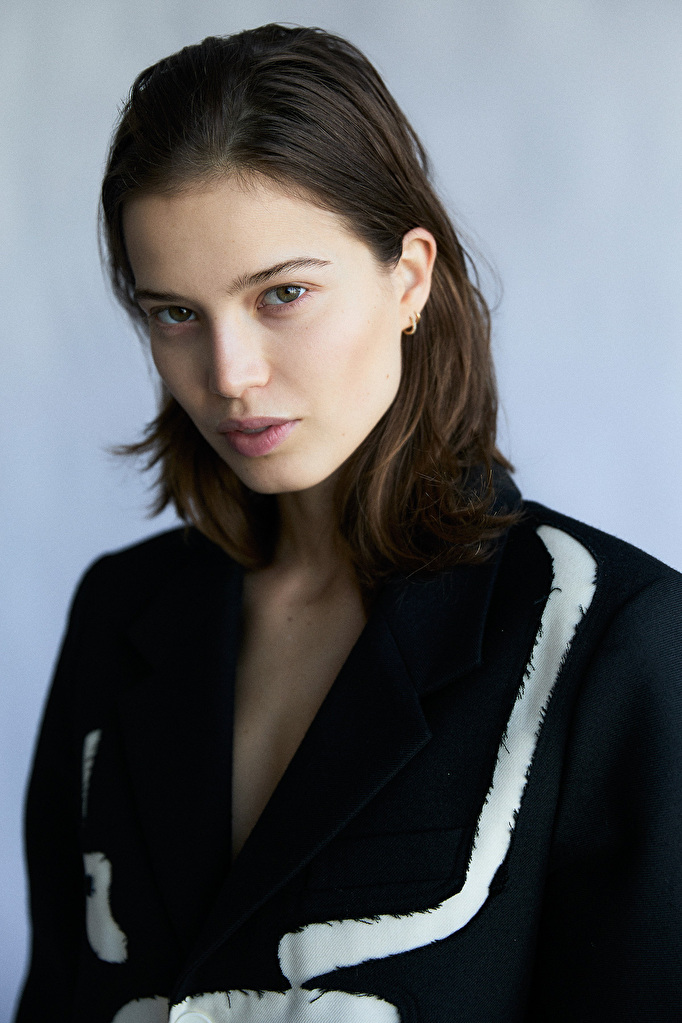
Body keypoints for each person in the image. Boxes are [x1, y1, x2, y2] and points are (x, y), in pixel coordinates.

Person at [15, 23, 682, 1023]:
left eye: (282, 294)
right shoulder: (122, 610)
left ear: (408, 278)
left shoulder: (607, 636)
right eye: (174, 313)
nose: (230, 375)